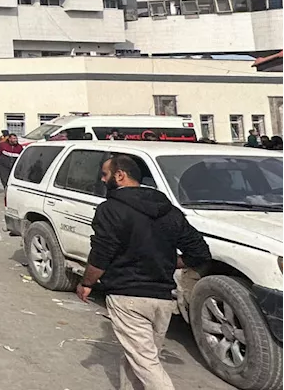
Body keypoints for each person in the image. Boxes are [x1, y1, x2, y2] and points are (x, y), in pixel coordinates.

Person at [77, 154, 211, 390]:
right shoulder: (168, 210)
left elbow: (101, 253)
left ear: (120, 176)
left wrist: (87, 283)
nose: (102, 178)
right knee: (137, 359)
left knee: (146, 364)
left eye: (105, 174)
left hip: (127, 297)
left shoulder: (111, 209)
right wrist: (172, 261)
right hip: (162, 299)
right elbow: (199, 252)